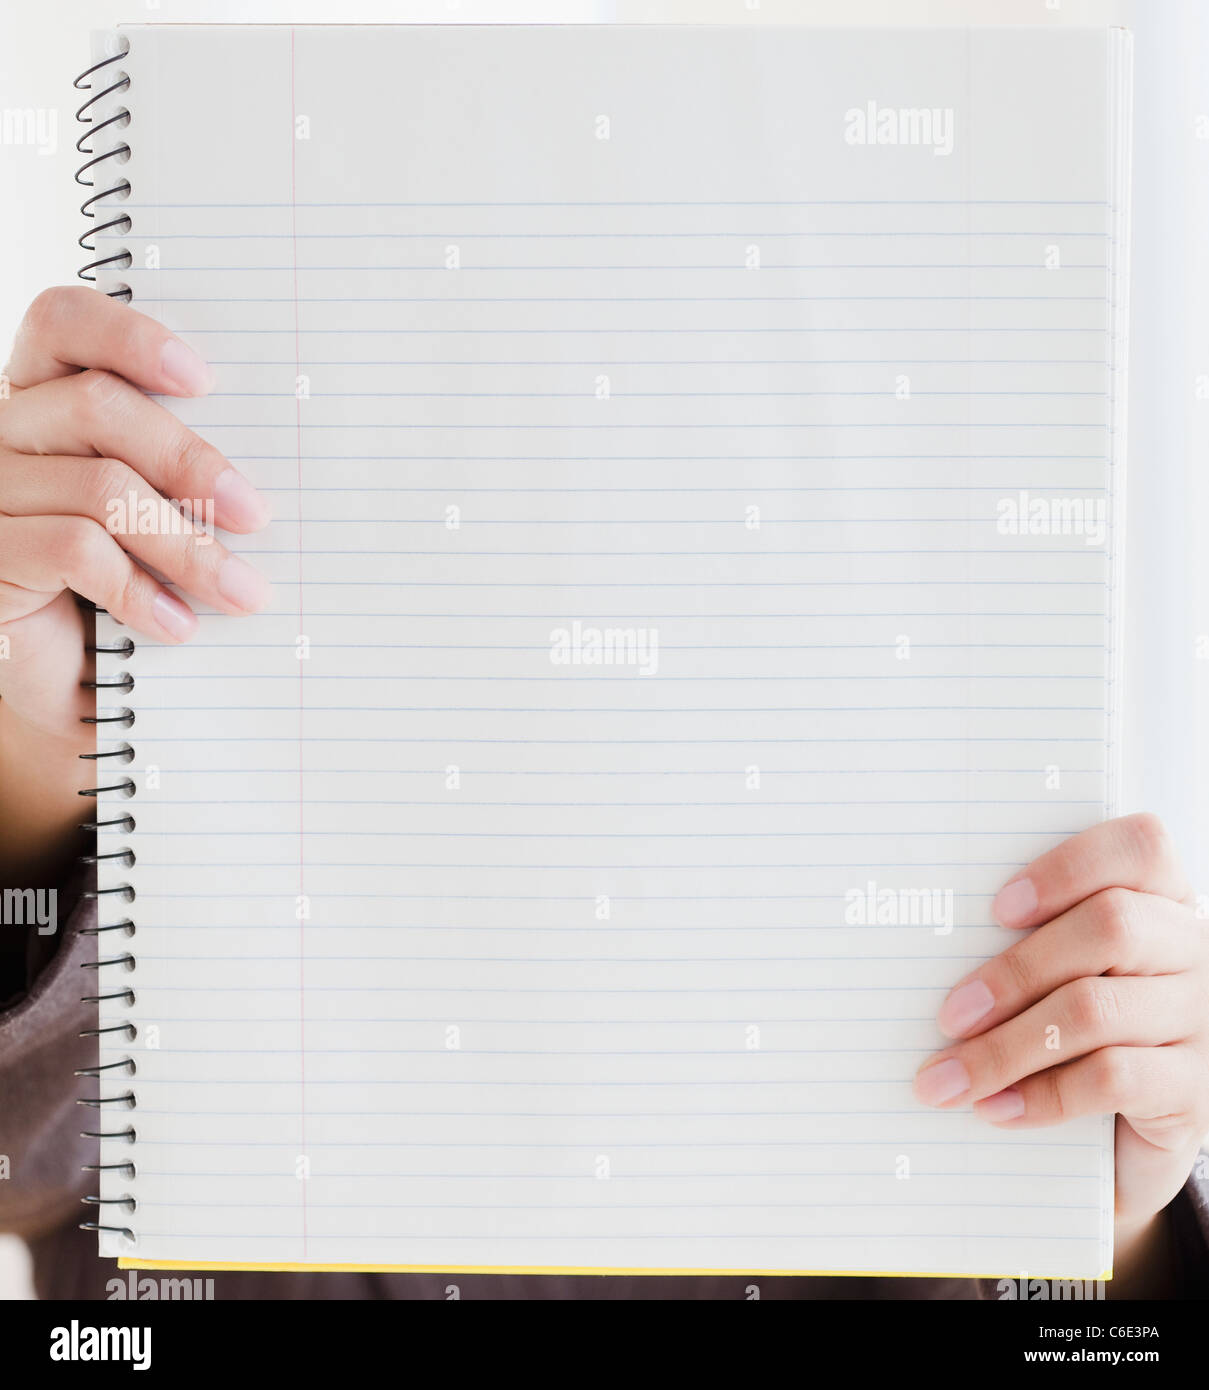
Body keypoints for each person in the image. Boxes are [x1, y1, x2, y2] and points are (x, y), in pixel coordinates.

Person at [1, 287, 1207, 1300]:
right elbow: (41, 1164)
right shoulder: (251, 848)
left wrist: (1083, 1237)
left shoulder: (918, 946)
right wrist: (44, 749)